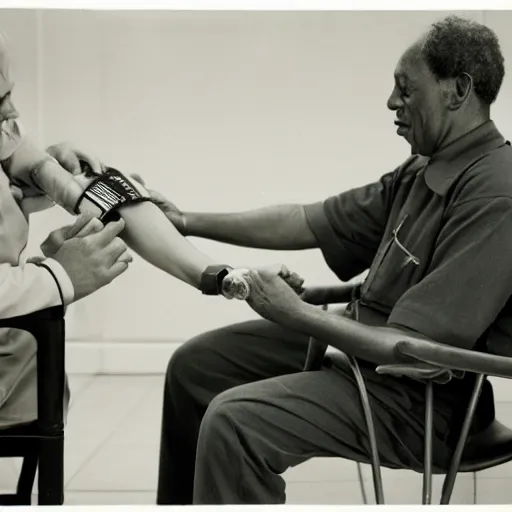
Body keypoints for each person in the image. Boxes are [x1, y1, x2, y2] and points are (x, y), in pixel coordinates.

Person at [148, 15, 512, 504]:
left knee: (235, 423)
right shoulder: (423, 169)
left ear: (457, 90)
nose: (391, 103)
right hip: (362, 354)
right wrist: (186, 219)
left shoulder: (495, 193)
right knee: (196, 366)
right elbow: (306, 220)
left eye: (406, 89)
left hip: (419, 401)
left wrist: (295, 312)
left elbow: (415, 349)